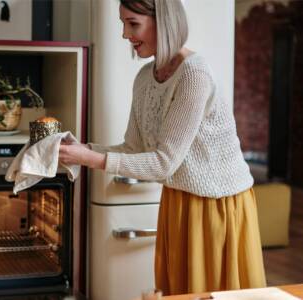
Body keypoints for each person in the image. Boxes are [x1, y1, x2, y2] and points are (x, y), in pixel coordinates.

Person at [59, 0, 266, 295]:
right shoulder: (145, 78)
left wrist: (89, 158)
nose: (124, 34)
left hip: (216, 206)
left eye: (133, 23)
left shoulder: (194, 75)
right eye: (123, 23)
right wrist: (81, 148)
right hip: (179, 200)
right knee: (178, 290)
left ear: (163, 22)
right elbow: (132, 147)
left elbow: (163, 163)